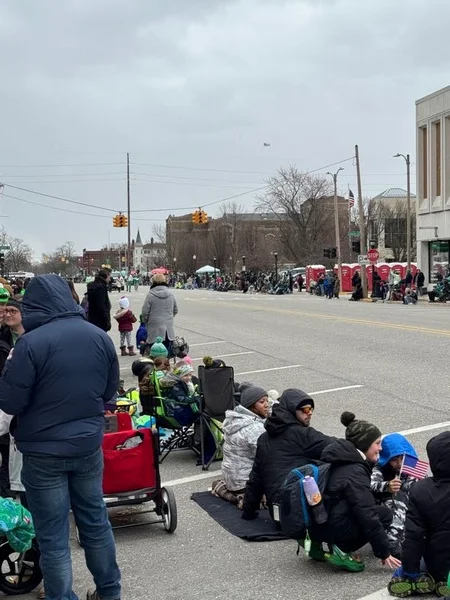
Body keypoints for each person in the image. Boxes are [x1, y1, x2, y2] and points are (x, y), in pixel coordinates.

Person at [0, 275, 121, 600]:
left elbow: (10, 402)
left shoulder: (29, 345)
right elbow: (109, 392)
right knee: (95, 523)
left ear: (36, 304)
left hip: (42, 454)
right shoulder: (99, 337)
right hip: (86, 447)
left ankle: (61, 596)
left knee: (53, 536)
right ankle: (110, 592)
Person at [311, 412, 400, 572]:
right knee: (384, 514)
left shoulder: (341, 458)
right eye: (377, 443)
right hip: (333, 524)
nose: (380, 448)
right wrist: (383, 552)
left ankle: (319, 543)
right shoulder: (355, 471)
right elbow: (367, 514)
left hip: (319, 521)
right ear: (364, 444)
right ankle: (342, 548)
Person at [242, 389, 335, 520]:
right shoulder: (302, 434)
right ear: (291, 410)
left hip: (279, 516)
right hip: (300, 514)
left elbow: (255, 480)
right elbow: (338, 446)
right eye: (305, 409)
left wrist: (248, 512)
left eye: (311, 409)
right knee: (338, 465)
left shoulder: (263, 438)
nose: (310, 413)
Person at [388, 431, 450, 598]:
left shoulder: (421, 490)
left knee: (404, 571)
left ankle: (417, 577)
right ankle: (443, 582)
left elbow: (414, 537)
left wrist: (409, 570)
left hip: (437, 560)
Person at [212, 384, 269, 505]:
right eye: (262, 402)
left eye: (267, 401)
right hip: (244, 482)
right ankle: (244, 499)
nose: (267, 405)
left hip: (230, 478)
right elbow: (265, 459)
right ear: (252, 405)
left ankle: (227, 491)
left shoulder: (234, 419)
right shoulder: (254, 428)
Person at [371, 433, 420, 559]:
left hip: (410, 503)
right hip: (388, 502)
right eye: (394, 459)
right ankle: (392, 541)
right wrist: (387, 486)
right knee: (399, 499)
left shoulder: (411, 465)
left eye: (401, 458)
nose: (399, 463)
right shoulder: (381, 468)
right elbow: (372, 485)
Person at [142, 274, 178, 354]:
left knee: (154, 353)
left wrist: (147, 321)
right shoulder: (171, 294)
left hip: (154, 328)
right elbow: (175, 310)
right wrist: (168, 318)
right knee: (166, 353)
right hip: (168, 329)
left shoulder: (150, 295)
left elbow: (145, 312)